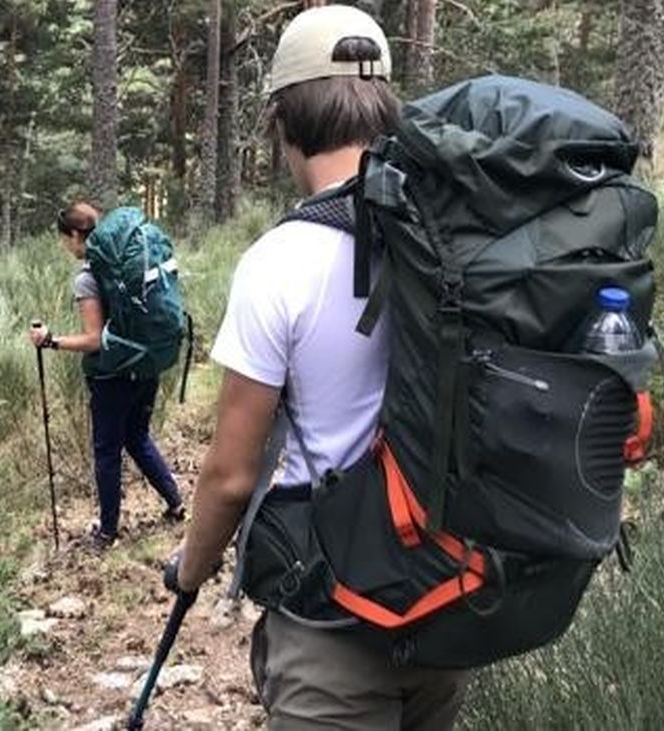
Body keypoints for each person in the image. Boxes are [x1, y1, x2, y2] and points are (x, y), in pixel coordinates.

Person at [169, 6, 466, 729]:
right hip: (449, 596)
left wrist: (190, 567)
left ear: (282, 121)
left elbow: (232, 473)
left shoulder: (279, 262)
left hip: (334, 616)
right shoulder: (452, 233)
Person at [28, 202, 186, 551]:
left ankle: (107, 533)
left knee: (106, 452)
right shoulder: (124, 258)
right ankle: (176, 502)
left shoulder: (88, 276)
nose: (65, 246)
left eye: (64, 239)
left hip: (112, 375)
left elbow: (94, 339)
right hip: (145, 362)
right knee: (137, 436)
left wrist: (51, 340)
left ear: (74, 235)